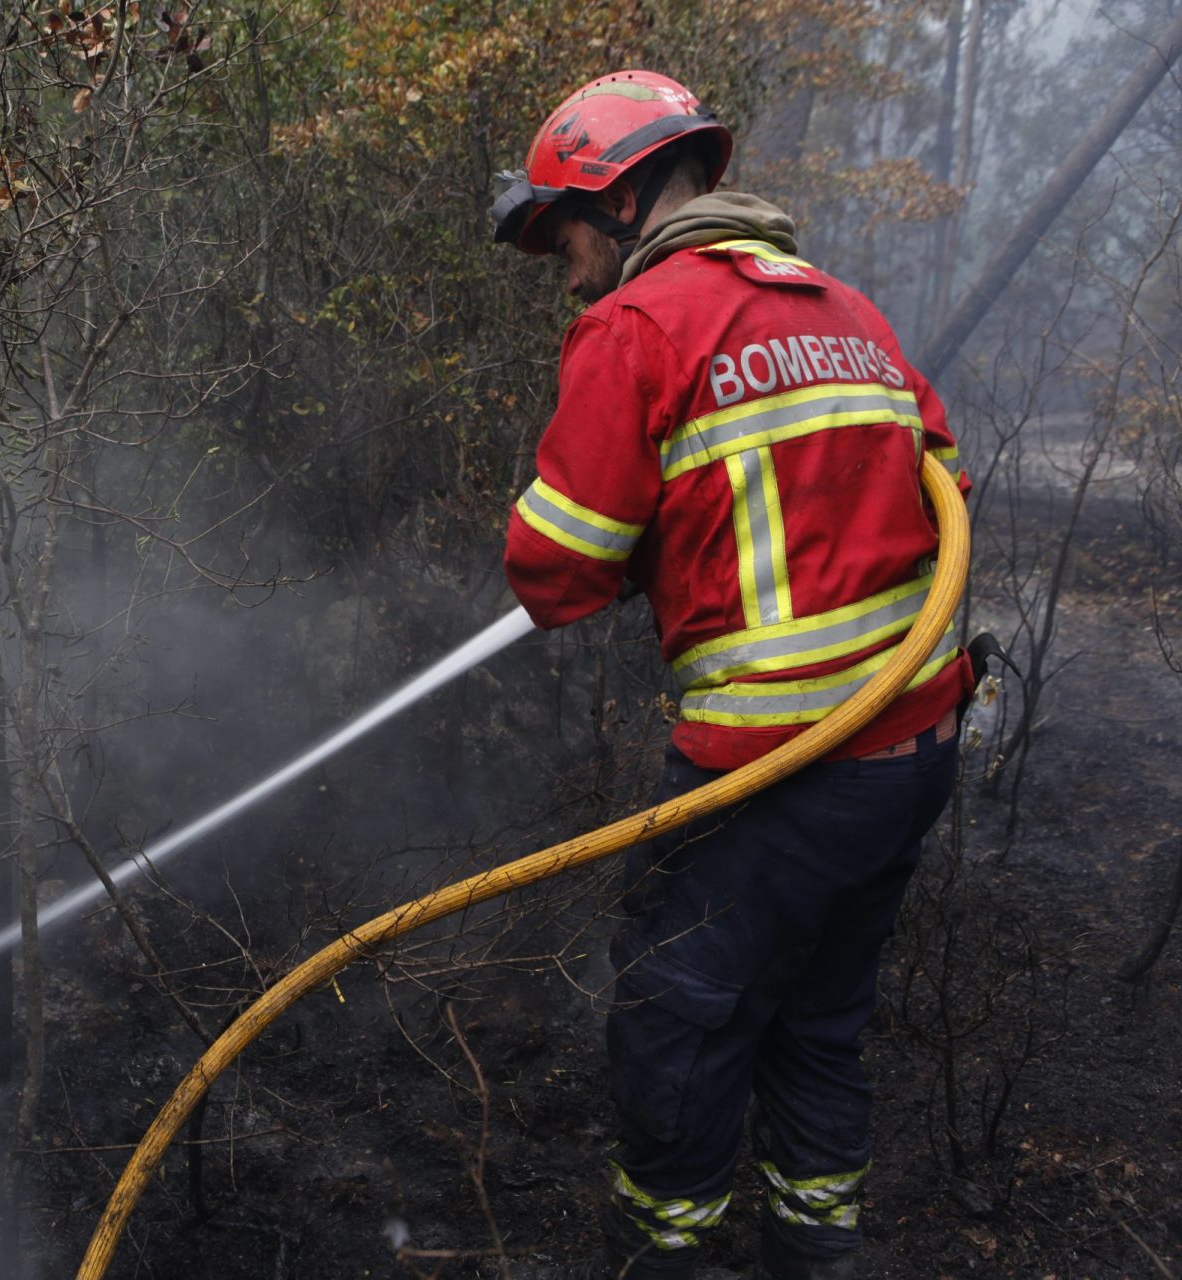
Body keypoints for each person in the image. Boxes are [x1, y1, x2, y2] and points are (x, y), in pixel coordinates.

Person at [491, 71, 973, 1280]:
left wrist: (649, 533)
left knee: (675, 1010)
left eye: (565, 239)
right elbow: (940, 486)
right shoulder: (846, 310)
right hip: (908, 755)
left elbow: (555, 569)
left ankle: (670, 1256)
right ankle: (821, 1254)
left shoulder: (640, 327)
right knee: (817, 1023)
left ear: (622, 198)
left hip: (778, 768)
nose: (570, 273)